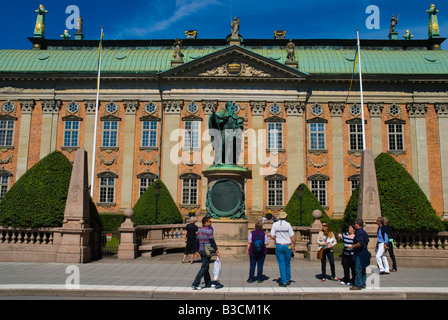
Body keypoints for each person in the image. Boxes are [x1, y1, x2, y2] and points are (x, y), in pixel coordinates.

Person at [191, 217, 220, 290]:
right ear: (205, 222)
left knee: (206, 266)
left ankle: (208, 283)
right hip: (207, 250)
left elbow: (196, 241)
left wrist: (196, 251)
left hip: (201, 250)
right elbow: (212, 241)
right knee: (204, 267)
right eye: (209, 222)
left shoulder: (199, 230)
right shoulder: (209, 230)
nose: (211, 223)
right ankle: (195, 283)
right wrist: (216, 250)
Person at [270, 211, 296, 287]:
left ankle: (283, 281)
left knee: (281, 263)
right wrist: (294, 245)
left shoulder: (275, 224)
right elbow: (292, 237)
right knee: (287, 263)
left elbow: (272, 236)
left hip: (279, 245)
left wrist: (276, 240)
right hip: (288, 245)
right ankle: (288, 279)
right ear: (285, 217)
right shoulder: (288, 224)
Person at [348, 219, 370, 290]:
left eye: (355, 224)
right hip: (364, 252)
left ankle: (357, 285)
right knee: (363, 269)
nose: (355, 225)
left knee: (358, 269)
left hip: (359, 253)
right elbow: (367, 240)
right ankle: (363, 283)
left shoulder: (359, 232)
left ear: (357, 224)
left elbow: (360, 243)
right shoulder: (364, 232)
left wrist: (353, 246)